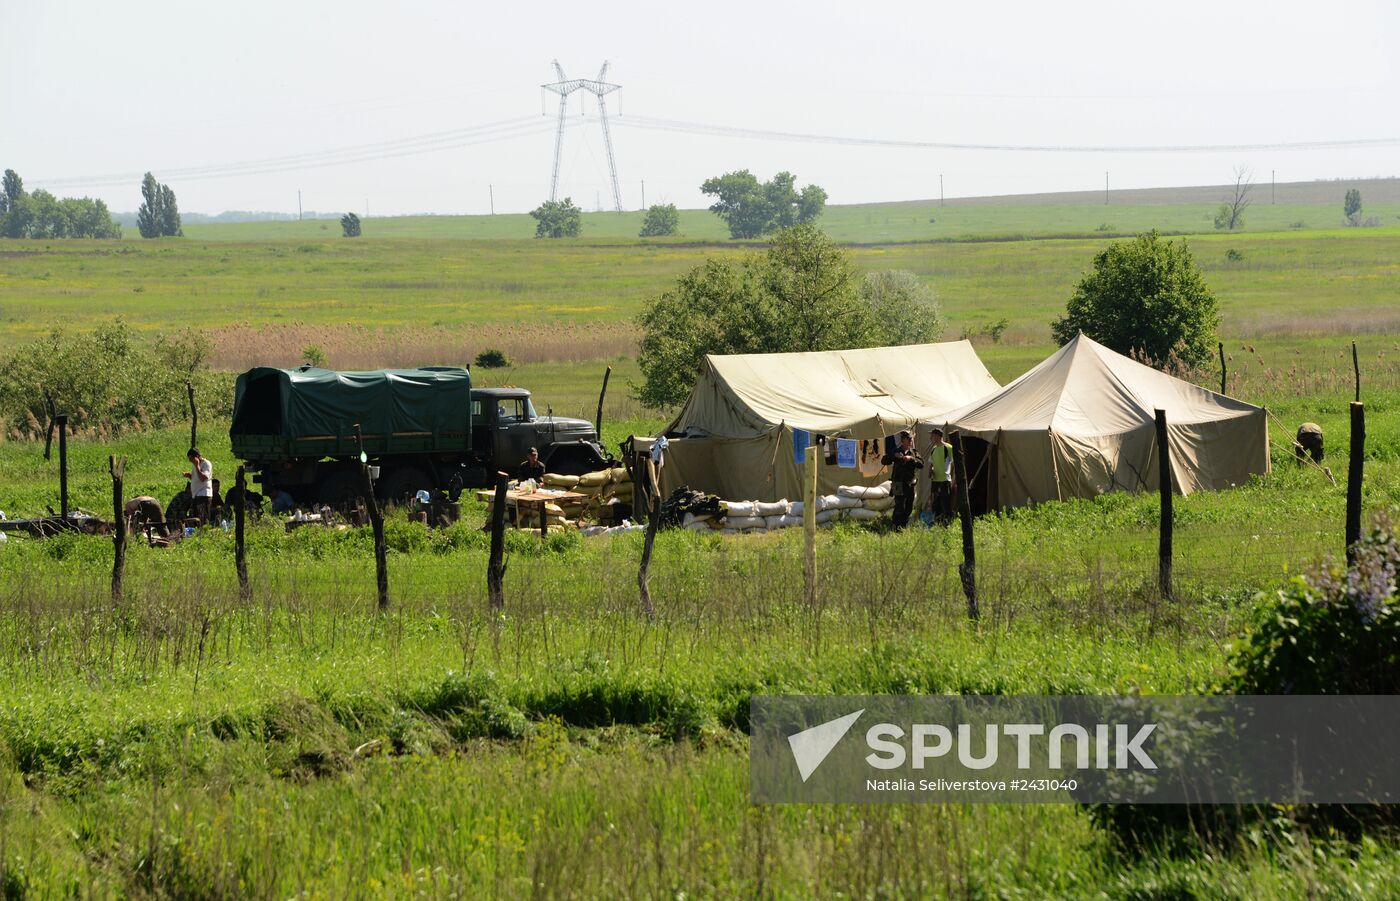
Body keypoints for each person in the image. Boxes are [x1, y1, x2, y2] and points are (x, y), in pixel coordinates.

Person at [881, 430, 923, 530]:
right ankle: (896, 526)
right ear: (903, 440)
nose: (910, 441)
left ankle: (903, 525)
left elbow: (921, 464)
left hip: (910, 483)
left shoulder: (914, 452)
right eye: (908, 439)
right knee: (899, 506)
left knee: (909, 505)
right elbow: (884, 461)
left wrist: (911, 459)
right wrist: (893, 456)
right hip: (897, 483)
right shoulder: (896, 451)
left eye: (911, 439)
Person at [926, 428, 954, 525]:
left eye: (932, 435)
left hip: (945, 480)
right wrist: (930, 472)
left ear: (938, 436)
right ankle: (937, 523)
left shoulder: (948, 447)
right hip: (935, 480)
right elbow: (931, 463)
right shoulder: (933, 449)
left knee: (946, 503)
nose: (930, 438)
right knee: (935, 504)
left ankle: (948, 523)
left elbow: (954, 464)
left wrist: (954, 479)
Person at [184, 447, 213, 523]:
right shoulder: (195, 464)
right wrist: (190, 476)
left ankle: (204, 532)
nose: (191, 461)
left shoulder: (206, 464)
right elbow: (197, 478)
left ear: (197, 456)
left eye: (191, 459)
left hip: (203, 494)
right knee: (194, 518)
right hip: (196, 494)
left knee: (203, 518)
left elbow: (203, 478)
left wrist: (197, 465)